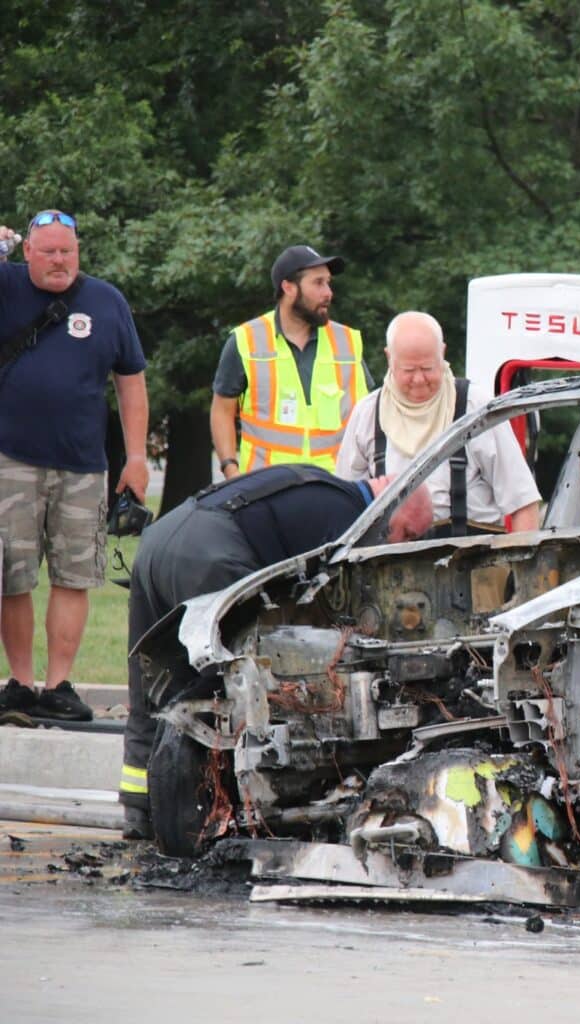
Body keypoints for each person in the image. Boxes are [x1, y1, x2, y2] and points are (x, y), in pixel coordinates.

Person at [119, 464, 433, 839]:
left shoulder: (320, 487)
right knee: (227, 685)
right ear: (387, 503)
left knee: (150, 684)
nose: (400, 544)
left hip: (159, 540)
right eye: (407, 533)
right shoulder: (353, 521)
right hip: (210, 555)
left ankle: (138, 811)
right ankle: (213, 811)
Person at [0, 210, 149, 723]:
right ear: (28, 253)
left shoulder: (106, 301)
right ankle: (19, 683)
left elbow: (131, 381)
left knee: (74, 576)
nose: (60, 261)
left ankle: (59, 684)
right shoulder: (5, 285)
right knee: (10, 576)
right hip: (10, 459)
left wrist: (135, 457)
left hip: (84, 466)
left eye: (68, 251)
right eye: (49, 252)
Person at [335, 311, 540, 532]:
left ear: (442, 353)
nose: (419, 380)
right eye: (409, 370)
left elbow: (523, 504)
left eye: (427, 368)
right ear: (389, 358)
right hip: (389, 561)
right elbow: (343, 509)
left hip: (473, 558)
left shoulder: (476, 408)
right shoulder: (367, 414)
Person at [209, 245, 369, 479]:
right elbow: (221, 411)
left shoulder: (347, 342)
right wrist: (230, 470)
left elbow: (368, 414)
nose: (328, 293)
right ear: (288, 288)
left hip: (334, 488)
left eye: (328, 283)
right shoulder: (246, 340)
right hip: (264, 491)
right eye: (318, 283)